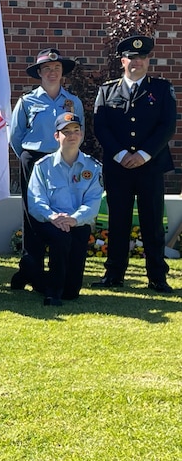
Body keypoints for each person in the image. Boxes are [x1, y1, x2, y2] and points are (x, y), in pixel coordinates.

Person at [92, 35, 176, 293]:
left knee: (152, 222)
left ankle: (157, 277)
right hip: (118, 168)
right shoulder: (107, 90)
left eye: (141, 58)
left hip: (150, 166)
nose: (135, 62)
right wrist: (119, 154)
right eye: (131, 57)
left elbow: (167, 126)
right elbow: (100, 126)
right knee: (118, 222)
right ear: (122, 60)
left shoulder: (161, 89)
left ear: (148, 60)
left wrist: (143, 154)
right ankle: (114, 274)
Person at [9, 48, 83, 289]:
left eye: (57, 68)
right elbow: (15, 136)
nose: (52, 72)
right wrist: (29, 160)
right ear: (39, 73)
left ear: (62, 73)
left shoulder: (73, 102)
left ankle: (59, 270)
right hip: (34, 161)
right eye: (47, 69)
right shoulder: (27, 101)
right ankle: (32, 269)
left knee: (61, 211)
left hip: (63, 163)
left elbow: (78, 132)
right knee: (33, 216)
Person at [25, 113, 103, 306]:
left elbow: (93, 202)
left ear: (82, 134)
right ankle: (52, 293)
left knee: (72, 293)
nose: (72, 136)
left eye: (76, 131)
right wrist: (54, 217)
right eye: (66, 132)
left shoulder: (93, 167)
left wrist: (74, 219)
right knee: (61, 237)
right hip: (48, 223)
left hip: (78, 223)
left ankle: (32, 275)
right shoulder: (43, 166)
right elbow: (35, 201)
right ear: (56, 136)